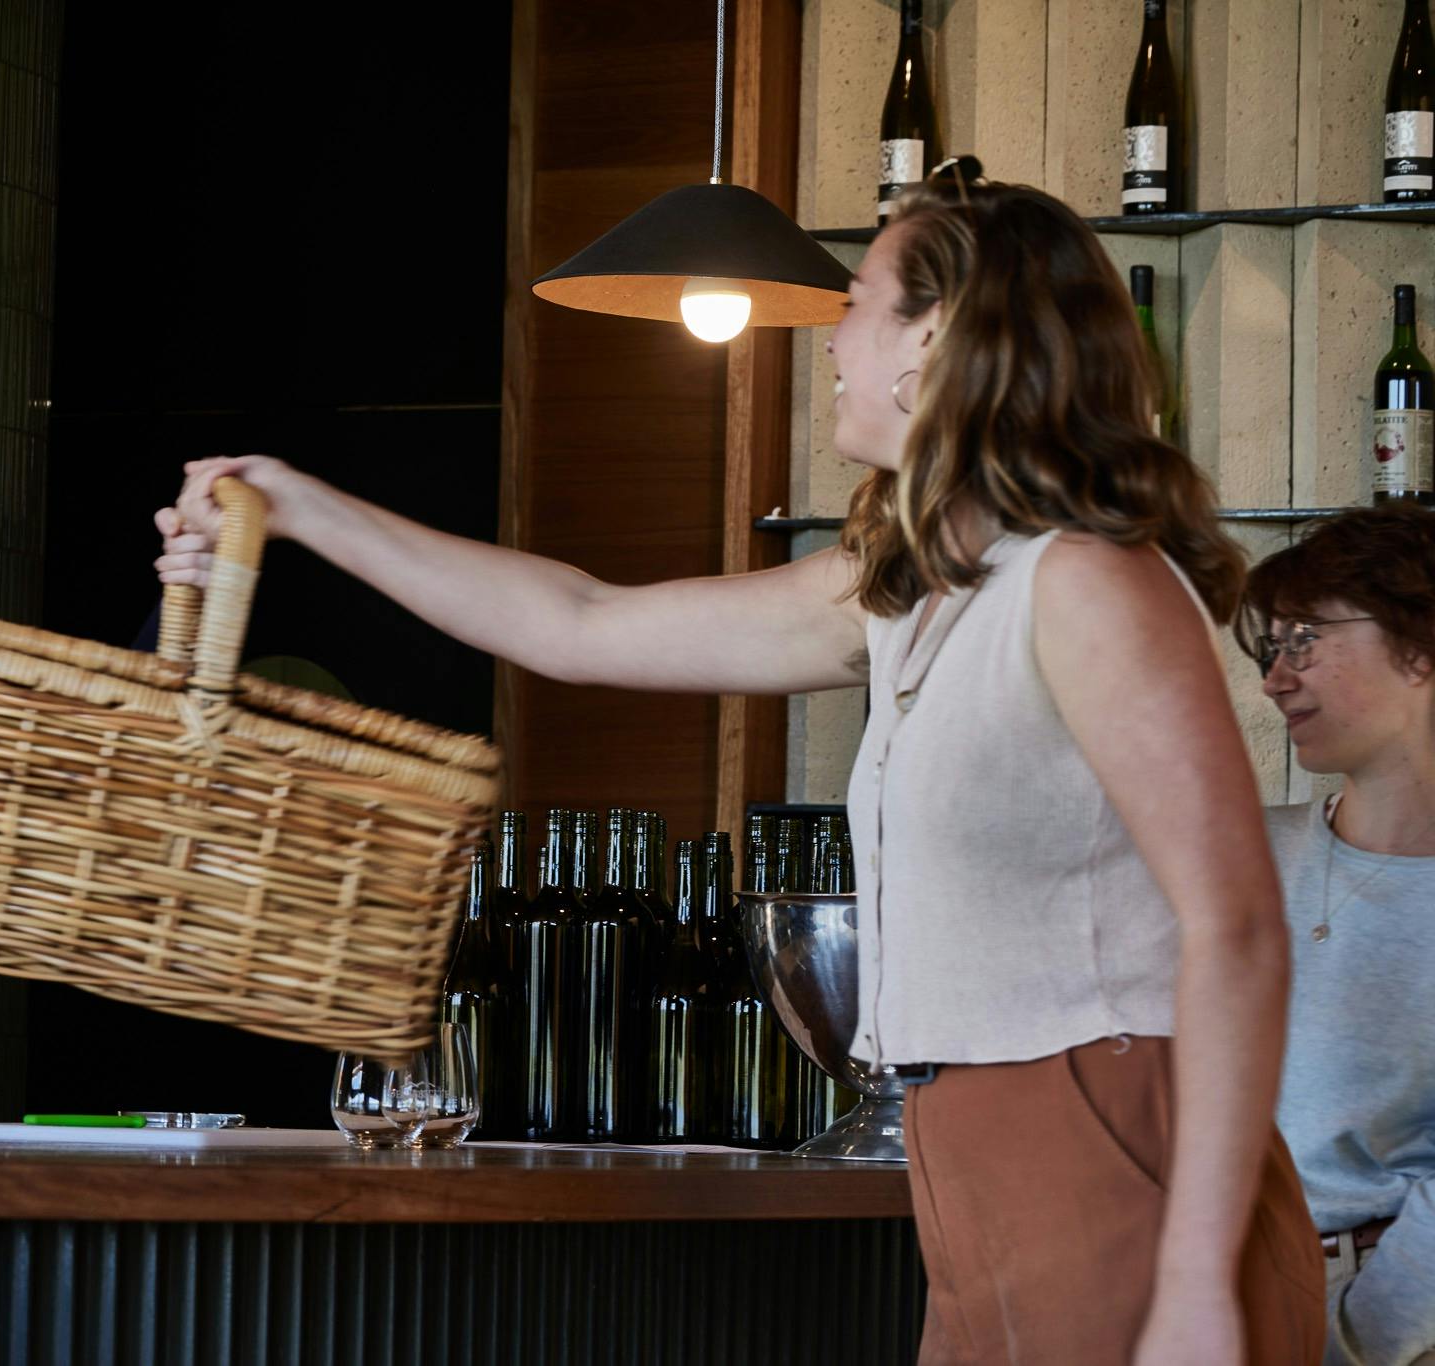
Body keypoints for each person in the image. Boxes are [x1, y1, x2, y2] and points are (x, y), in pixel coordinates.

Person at [154, 167, 1323, 1362]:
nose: (831, 336)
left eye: (857, 300)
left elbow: (1234, 926)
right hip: (967, 1149)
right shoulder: (908, 595)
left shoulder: (1085, 581)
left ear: (934, 338)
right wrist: (296, 507)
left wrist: (1193, 1282)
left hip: (1101, 1132)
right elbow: (581, 621)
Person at [1243, 506, 1435, 1366]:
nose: (1275, 680)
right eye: (1271, 648)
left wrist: (1354, 1342)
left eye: (1305, 640)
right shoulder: (1237, 850)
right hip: (1185, 1299)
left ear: (1421, 649)